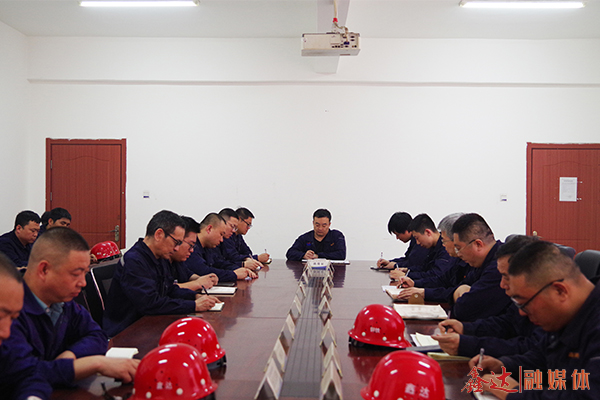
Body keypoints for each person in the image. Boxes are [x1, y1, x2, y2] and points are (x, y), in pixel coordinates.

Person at [0, 227, 138, 399]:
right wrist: (94, 364)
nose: (83, 283)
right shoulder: (9, 308)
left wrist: (70, 355)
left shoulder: (62, 303)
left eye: (85, 273)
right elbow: (26, 371)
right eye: (76, 274)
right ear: (44, 270)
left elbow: (97, 335)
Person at [472, 240, 600, 399]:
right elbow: (540, 359)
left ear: (560, 291)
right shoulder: (566, 316)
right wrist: (504, 366)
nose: (522, 313)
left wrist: (517, 394)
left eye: (524, 303)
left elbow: (587, 396)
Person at [103, 210, 219, 337]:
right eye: (176, 242)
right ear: (159, 234)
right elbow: (150, 304)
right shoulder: (134, 260)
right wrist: (194, 305)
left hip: (150, 324)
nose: (176, 248)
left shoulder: (160, 257)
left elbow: (170, 289)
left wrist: (195, 296)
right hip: (127, 330)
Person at [433, 235, 544, 358]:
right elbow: (506, 324)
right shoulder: (525, 296)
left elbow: (530, 348)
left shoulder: (551, 308)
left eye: (507, 277)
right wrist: (465, 328)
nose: (502, 285)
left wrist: (468, 345)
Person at [392, 213, 472, 302]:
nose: (443, 244)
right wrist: (415, 283)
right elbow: (442, 280)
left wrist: (423, 292)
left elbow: (451, 289)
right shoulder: (458, 260)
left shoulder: (475, 266)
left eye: (444, 240)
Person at [449, 213, 511, 322]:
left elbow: (464, 310)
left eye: (458, 248)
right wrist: (461, 290)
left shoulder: (499, 267)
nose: (458, 254)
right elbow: (458, 286)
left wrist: (462, 292)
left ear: (478, 244)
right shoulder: (481, 262)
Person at [182, 213, 257, 282]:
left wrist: (239, 269)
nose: (221, 240)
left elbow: (219, 263)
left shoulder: (208, 246)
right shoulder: (191, 247)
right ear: (209, 229)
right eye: (221, 234)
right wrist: (234, 274)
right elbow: (203, 271)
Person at [388, 213, 453, 282]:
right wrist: (408, 270)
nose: (417, 243)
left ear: (427, 232)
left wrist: (407, 275)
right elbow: (424, 268)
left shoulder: (445, 249)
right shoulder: (432, 246)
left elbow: (436, 276)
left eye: (417, 238)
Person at [169, 216, 219, 291]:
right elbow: (167, 289)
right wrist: (197, 284)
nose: (192, 250)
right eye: (190, 245)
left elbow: (188, 274)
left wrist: (203, 279)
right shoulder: (161, 259)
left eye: (193, 246)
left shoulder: (177, 260)